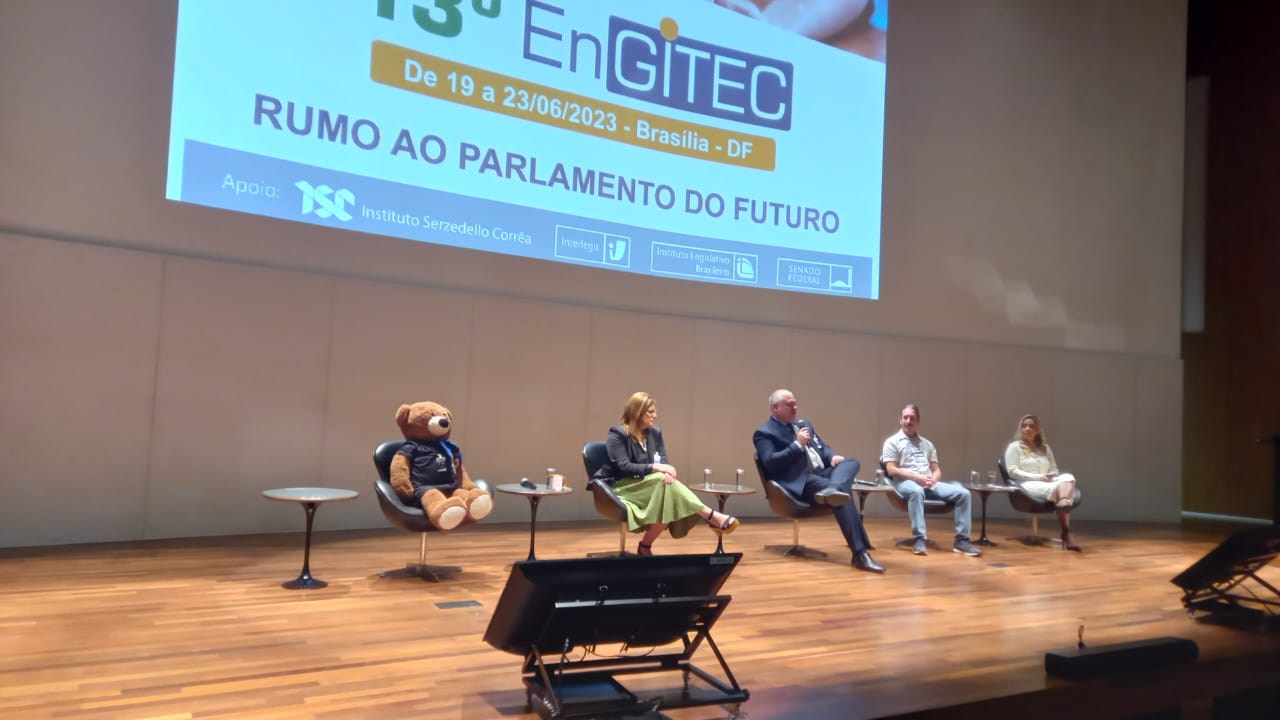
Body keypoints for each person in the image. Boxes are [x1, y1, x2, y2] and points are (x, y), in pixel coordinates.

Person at [753, 389, 885, 573]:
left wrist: (832, 457)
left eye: (795, 403)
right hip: (800, 481)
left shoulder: (803, 424)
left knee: (852, 462)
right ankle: (860, 554)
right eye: (789, 405)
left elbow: (822, 447)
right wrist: (797, 445)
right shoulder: (764, 433)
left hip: (822, 473)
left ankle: (833, 490)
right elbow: (770, 462)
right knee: (843, 494)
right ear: (775, 408)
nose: (795, 407)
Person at [593, 392, 739, 556]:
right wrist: (657, 468)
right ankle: (710, 516)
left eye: (655, 411)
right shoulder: (618, 433)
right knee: (662, 484)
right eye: (650, 412)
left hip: (650, 484)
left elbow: (663, 460)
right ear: (637, 412)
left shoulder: (655, 433)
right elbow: (624, 467)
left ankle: (645, 546)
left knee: (667, 491)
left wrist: (668, 471)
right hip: (622, 487)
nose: (655, 415)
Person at [881, 404, 982, 557]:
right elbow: (891, 469)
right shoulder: (892, 442)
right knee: (916, 491)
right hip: (904, 482)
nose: (908, 421)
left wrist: (933, 479)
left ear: (918, 421)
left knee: (964, 494)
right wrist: (917, 478)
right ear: (900, 420)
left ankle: (962, 542)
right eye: (905, 418)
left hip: (928, 483)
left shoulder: (927, 444)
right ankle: (919, 539)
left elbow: (936, 470)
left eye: (912, 418)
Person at [1004, 414, 1081, 551]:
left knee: (1068, 476)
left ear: (1037, 430)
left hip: (1047, 482)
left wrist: (1051, 476)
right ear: (1020, 429)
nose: (1027, 429)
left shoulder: (1045, 448)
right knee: (1063, 490)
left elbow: (1054, 469)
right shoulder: (1014, 447)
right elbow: (1012, 472)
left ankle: (1063, 503)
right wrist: (1038, 477)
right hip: (1026, 485)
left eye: (1031, 426)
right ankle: (1066, 531)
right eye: (1024, 426)